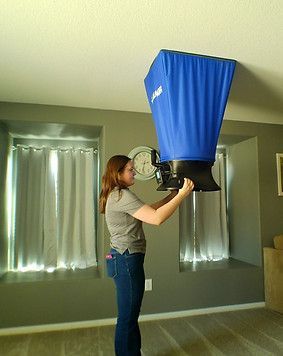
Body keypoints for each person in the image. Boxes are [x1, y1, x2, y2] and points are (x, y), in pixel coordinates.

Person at [99, 155, 194, 356]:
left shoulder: (117, 194)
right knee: (127, 317)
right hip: (125, 260)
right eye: (130, 170)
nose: (134, 172)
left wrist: (171, 196)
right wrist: (182, 195)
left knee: (130, 316)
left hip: (123, 259)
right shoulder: (122, 195)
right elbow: (156, 219)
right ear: (118, 174)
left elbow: (147, 210)